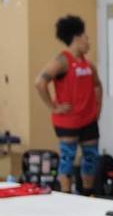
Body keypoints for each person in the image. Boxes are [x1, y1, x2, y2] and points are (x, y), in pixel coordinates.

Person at [34, 15, 102, 194]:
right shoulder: (62, 61)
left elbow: (97, 85)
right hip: (68, 121)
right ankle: (65, 194)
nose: (89, 42)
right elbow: (39, 83)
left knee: (90, 158)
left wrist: (97, 109)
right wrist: (53, 107)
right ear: (77, 38)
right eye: (86, 38)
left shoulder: (88, 64)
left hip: (88, 120)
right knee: (68, 158)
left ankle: (88, 194)